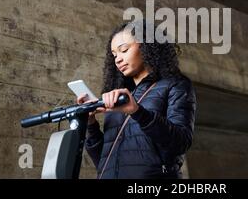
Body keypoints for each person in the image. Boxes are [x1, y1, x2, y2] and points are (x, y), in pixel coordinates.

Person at [77, 20, 196, 179]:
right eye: (114, 55)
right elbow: (104, 163)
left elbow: (181, 143)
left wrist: (137, 112)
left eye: (124, 50)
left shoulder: (176, 85)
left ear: (147, 46)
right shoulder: (119, 97)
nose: (117, 59)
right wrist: (91, 124)